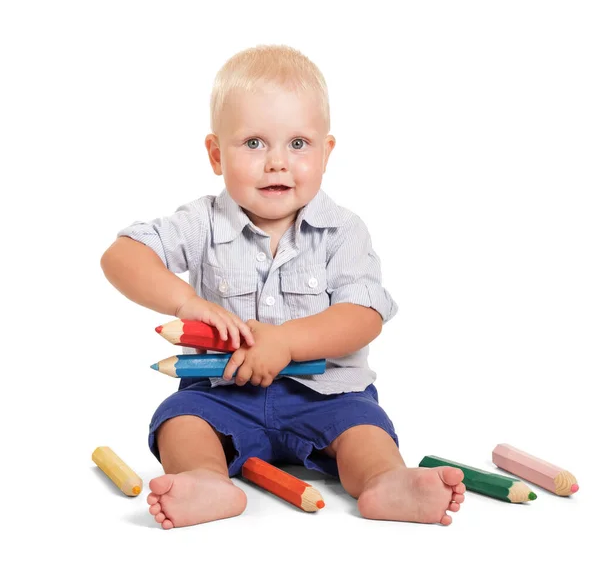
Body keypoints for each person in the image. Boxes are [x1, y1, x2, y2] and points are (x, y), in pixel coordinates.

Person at [101, 44, 465, 529]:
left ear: (326, 152)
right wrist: (186, 301)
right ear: (216, 154)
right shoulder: (202, 222)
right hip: (220, 393)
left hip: (327, 395)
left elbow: (363, 316)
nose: (277, 162)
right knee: (179, 419)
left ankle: (385, 482)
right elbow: (121, 256)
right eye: (254, 143)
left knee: (365, 431)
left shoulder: (344, 230)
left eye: (298, 144)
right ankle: (207, 481)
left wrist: (285, 342)